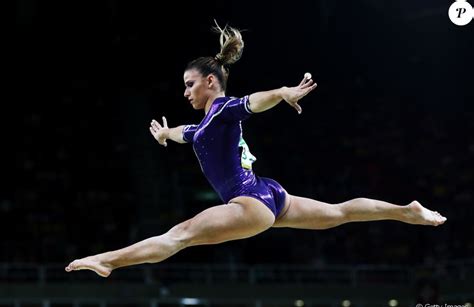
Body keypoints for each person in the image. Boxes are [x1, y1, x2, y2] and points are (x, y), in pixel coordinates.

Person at [65, 23, 446, 277]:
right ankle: (405, 212)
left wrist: (282, 93)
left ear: (210, 81)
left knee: (179, 235)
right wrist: (167, 135)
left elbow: (254, 101)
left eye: (189, 85)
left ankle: (107, 261)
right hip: (269, 192)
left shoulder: (224, 108)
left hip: (248, 201)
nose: (185, 92)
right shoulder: (207, 123)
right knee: (339, 213)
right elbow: (189, 133)